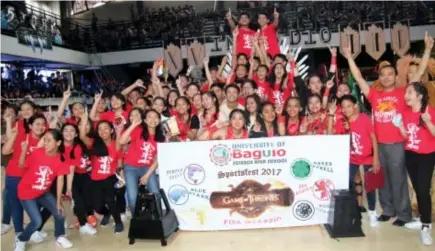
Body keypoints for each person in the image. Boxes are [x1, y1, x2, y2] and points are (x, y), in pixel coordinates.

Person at [344, 44, 412, 226]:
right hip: (379, 145)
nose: (387, 77)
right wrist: (350, 58)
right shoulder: (374, 94)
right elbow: (358, 78)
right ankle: (387, 210)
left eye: (391, 74)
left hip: (397, 144)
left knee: (398, 180)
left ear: (396, 76)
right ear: (379, 78)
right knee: (380, 179)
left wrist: (427, 52)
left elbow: (419, 76)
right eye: (383, 74)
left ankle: (404, 214)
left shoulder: (403, 93)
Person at [14, 129, 73, 251]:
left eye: (49, 140)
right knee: (37, 222)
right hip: (26, 192)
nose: (45, 142)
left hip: (42, 192)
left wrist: (58, 203)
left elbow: (60, 180)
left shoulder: (61, 159)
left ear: (58, 143)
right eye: (44, 139)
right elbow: (21, 165)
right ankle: (21, 239)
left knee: (59, 212)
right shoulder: (37, 153)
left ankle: (59, 236)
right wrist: (24, 150)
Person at [328, 95, 380, 227]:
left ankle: (373, 213)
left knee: (371, 186)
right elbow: (329, 135)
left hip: (369, 156)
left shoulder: (364, 118)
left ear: (355, 106)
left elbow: (373, 137)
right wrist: (331, 115)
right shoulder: (341, 122)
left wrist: (376, 158)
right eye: (343, 107)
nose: (346, 109)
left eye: (349, 106)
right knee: (347, 182)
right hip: (352, 159)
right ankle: (353, 209)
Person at [395, 82, 435, 245]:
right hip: (410, 153)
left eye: (409, 92)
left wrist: (428, 122)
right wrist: (399, 126)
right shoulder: (405, 112)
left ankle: (426, 226)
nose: (406, 96)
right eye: (406, 93)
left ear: (420, 95)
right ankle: (422, 218)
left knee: (424, 189)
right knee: (418, 188)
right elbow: (406, 136)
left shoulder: (430, 111)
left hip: (427, 155)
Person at [2, 114, 47, 242]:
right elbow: (5, 151)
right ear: (30, 125)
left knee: (36, 204)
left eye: (43, 124)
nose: (40, 127)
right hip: (15, 175)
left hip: (32, 177)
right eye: (37, 124)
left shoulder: (45, 140)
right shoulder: (22, 137)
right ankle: (19, 233)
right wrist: (14, 135)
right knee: (16, 205)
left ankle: (33, 231)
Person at [79, 114, 125, 233]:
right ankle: (107, 213)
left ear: (111, 130)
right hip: (95, 179)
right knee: (98, 206)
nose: (103, 131)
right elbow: (82, 136)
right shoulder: (94, 143)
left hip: (110, 177)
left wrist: (121, 179)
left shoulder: (116, 143)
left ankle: (118, 221)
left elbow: (119, 162)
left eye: (106, 128)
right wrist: (84, 121)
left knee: (110, 199)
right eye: (100, 129)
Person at [119, 109, 165, 215]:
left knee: (155, 192)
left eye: (156, 117)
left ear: (159, 120)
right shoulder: (138, 130)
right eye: (149, 116)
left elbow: (158, 159)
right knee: (132, 195)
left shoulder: (161, 137)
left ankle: (157, 216)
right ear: (144, 120)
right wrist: (133, 125)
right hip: (131, 167)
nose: (153, 119)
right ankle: (136, 218)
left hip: (147, 168)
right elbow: (121, 141)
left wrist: (147, 175)